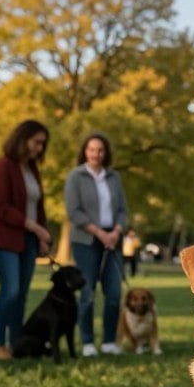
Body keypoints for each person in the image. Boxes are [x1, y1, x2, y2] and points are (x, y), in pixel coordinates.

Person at [0, 120, 53, 360]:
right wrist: (34, 227)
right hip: (4, 239)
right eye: (36, 142)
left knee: (22, 294)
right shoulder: (2, 166)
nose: (40, 148)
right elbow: (1, 207)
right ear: (22, 140)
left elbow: (38, 206)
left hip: (29, 241)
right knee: (10, 291)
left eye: (43, 144)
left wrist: (43, 235)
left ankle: (17, 343)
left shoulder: (32, 169)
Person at [64, 131, 130, 357]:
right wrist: (100, 233)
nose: (96, 154)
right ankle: (87, 341)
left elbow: (122, 210)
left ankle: (110, 341)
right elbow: (74, 212)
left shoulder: (114, 177)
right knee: (87, 293)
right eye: (91, 149)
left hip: (113, 241)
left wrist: (116, 232)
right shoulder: (75, 176)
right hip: (86, 241)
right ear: (85, 151)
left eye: (100, 150)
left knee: (113, 293)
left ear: (105, 153)